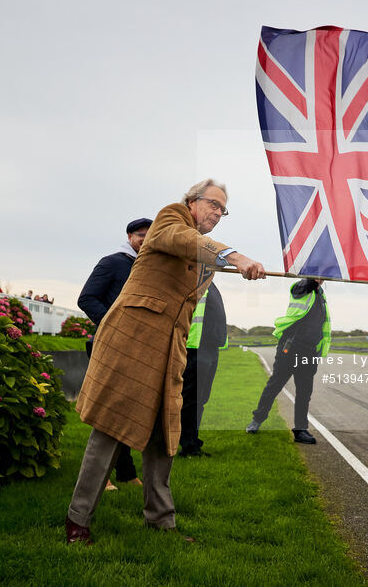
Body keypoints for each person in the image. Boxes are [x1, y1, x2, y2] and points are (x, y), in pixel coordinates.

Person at [66, 179, 264, 545]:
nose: (218, 214)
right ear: (192, 201)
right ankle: (78, 521)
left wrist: (239, 265)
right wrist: (236, 256)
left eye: (223, 210)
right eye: (213, 205)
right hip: (131, 342)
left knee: (164, 436)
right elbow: (188, 241)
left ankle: (160, 522)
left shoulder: (205, 261)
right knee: (110, 429)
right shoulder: (170, 219)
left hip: (171, 350)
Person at [76, 217, 153, 491]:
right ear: (131, 236)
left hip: (136, 349)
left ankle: (125, 471)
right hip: (109, 345)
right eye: (141, 235)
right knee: (107, 411)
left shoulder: (148, 265)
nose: (146, 239)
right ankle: (102, 476)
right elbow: (86, 299)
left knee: (123, 411)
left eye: (150, 235)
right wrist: (112, 324)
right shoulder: (112, 262)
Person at [246, 278, 330, 445]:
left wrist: (318, 350)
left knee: (304, 392)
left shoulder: (321, 295)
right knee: (275, 385)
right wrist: (311, 277)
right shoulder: (302, 287)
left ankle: (300, 430)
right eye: (317, 272)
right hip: (290, 347)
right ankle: (257, 420)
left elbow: (322, 325)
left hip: (309, 352)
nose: (321, 276)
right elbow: (304, 285)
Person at [178, 284, 227, 457]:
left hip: (211, 347)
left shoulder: (211, 283)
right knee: (191, 399)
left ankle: (193, 441)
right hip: (195, 347)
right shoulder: (196, 280)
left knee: (201, 399)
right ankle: (188, 446)